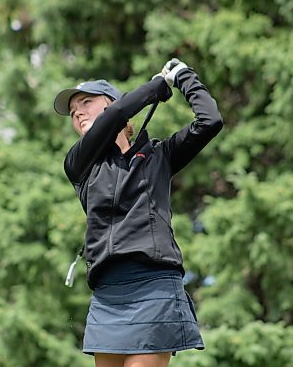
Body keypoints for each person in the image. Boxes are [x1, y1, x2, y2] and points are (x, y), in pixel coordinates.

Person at [54, 59, 223, 367]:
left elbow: (210, 121)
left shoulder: (160, 155)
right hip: (108, 293)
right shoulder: (79, 164)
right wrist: (153, 88)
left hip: (154, 285)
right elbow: (115, 117)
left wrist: (183, 77)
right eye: (73, 109)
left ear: (113, 103)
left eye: (86, 102)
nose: (77, 112)